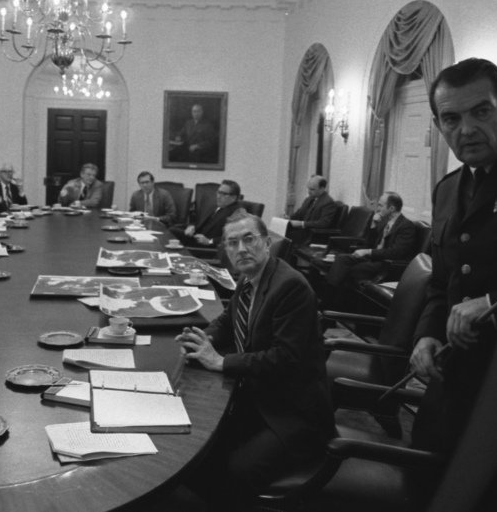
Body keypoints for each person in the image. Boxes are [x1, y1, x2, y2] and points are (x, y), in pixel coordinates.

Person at [408, 58, 497, 454]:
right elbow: (442, 282)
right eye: (451, 119)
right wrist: (427, 335)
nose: (466, 129)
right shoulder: (448, 190)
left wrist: (492, 305)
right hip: (456, 379)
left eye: (481, 111)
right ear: (439, 127)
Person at [175, 212, 335, 508]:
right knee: (192, 448)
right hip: (257, 398)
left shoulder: (290, 286)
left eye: (249, 239)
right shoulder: (251, 277)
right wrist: (204, 339)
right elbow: (227, 319)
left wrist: (220, 362)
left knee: (236, 470)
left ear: (267, 242)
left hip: (291, 413)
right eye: (232, 243)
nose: (241, 249)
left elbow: (285, 358)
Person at [320, 192, 419, 309]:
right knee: (342, 259)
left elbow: (395, 253)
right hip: (374, 259)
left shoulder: (406, 226)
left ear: (391, 208)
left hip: (387, 264)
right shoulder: (384, 222)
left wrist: (369, 252)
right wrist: (373, 225)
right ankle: (328, 303)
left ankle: (328, 307)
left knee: (349, 269)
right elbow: (369, 244)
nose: (377, 208)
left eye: (381, 205)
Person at [169, 180, 242, 247]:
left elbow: (234, 237)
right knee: (170, 230)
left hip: (206, 247)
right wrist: (191, 226)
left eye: (223, 194)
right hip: (195, 237)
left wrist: (210, 241)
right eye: (218, 192)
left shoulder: (236, 212)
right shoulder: (217, 205)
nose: (218, 196)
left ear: (233, 197)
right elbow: (198, 221)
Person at [285, 175, 338, 245]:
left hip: (313, 235)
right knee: (279, 231)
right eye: (308, 188)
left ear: (322, 188)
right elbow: (299, 213)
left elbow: (324, 223)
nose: (308, 191)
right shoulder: (309, 199)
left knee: (285, 236)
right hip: (303, 232)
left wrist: (302, 224)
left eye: (312, 189)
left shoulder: (328, 202)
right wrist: (289, 217)